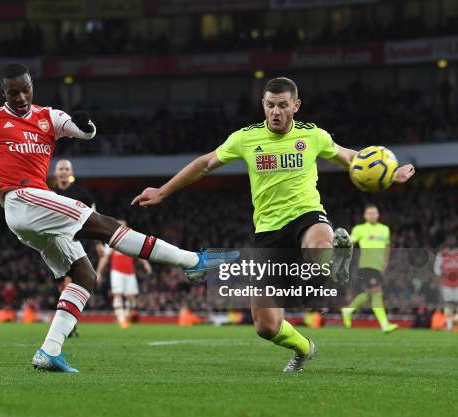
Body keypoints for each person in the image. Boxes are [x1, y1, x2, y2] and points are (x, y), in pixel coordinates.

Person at [0, 62, 238, 373]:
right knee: (107, 226)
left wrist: (85, 124)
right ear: (2, 93)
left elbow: (83, 132)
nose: (20, 96)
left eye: (25, 89)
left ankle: (50, 350)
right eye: (12, 92)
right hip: (21, 198)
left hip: (34, 215)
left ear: (32, 86)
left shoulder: (48, 116)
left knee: (84, 275)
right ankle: (192, 261)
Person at [132, 77, 415, 372]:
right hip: (268, 232)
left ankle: (335, 261)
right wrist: (162, 191)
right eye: (269, 105)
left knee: (319, 244)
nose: (275, 111)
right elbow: (204, 164)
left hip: (307, 216)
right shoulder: (245, 138)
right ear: (263, 106)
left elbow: (350, 158)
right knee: (266, 326)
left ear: (296, 105)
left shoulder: (314, 136)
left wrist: (390, 172)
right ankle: (304, 348)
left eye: (282, 105)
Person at [52, 159, 100, 337]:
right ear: (55, 173)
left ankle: (67, 326)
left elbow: (94, 218)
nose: (63, 172)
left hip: (78, 244)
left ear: (71, 173)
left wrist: (98, 243)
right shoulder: (49, 193)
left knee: (70, 284)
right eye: (60, 169)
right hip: (54, 245)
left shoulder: (82, 194)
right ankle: (68, 325)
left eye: (66, 169)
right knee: (63, 287)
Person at [342, 204, 398, 333]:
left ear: (378, 215)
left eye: (374, 213)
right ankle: (384, 325)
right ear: (365, 216)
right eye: (369, 213)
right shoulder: (360, 229)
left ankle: (348, 310)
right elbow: (350, 241)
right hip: (366, 266)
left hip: (378, 267)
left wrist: (385, 263)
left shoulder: (385, 229)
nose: (372, 215)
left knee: (369, 294)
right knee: (377, 292)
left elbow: (387, 246)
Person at [96, 220, 152, 328]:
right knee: (117, 294)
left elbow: (138, 254)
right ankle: (122, 320)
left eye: (123, 226)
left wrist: (146, 264)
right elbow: (105, 258)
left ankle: (126, 317)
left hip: (130, 272)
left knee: (131, 298)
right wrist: (99, 272)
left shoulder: (131, 241)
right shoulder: (111, 241)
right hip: (116, 271)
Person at [434, 236, 458, 332]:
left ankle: (456, 318)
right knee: (448, 303)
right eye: (449, 240)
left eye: (452, 240)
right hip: (446, 283)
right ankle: (449, 324)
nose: (451, 242)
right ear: (446, 242)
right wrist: (441, 275)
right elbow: (436, 268)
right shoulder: (442, 254)